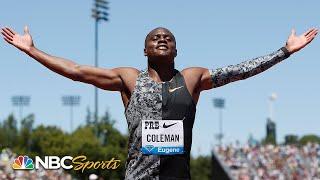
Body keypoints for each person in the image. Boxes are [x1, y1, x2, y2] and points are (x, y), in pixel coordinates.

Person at [1, 26, 318, 179]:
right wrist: (32, 50)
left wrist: (284, 51)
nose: (162, 39)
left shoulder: (192, 78)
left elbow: (239, 72)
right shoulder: (128, 78)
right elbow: (77, 72)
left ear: (177, 50)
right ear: (145, 50)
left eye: (168, 37)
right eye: (155, 37)